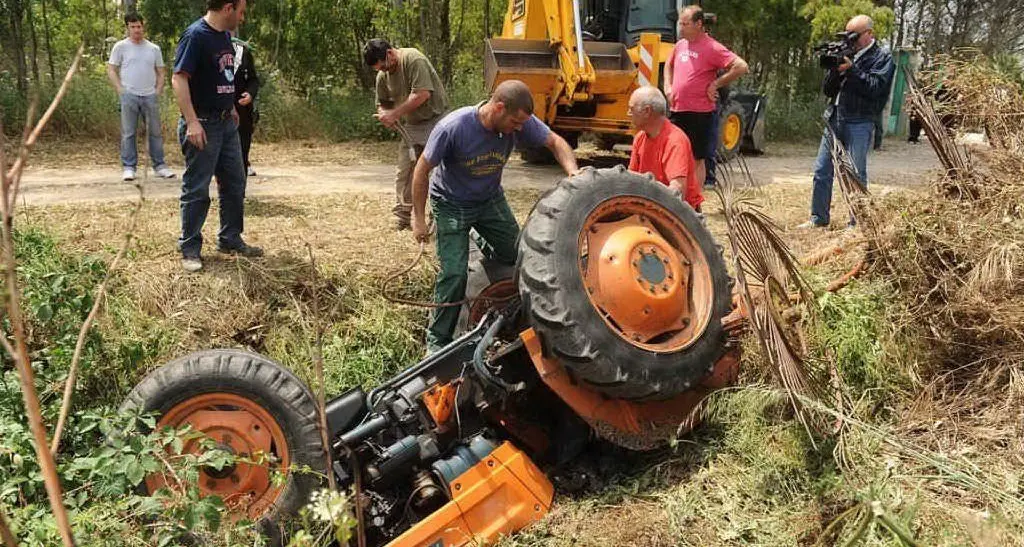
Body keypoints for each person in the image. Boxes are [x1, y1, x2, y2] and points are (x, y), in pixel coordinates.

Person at [411, 80, 578, 352]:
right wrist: (418, 218)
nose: (520, 129)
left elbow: (555, 141)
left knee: (520, 255)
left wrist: (572, 173)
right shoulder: (453, 127)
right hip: (450, 204)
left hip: (489, 200)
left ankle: (480, 235)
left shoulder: (519, 120)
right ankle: (437, 342)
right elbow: (421, 170)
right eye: (515, 122)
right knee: (454, 275)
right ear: (499, 108)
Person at [172, 0, 262, 273]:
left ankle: (230, 238)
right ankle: (190, 247)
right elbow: (179, 79)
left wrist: (231, 106)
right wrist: (192, 122)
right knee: (197, 189)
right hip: (202, 123)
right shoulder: (195, 36)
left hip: (226, 123)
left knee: (236, 181)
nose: (242, 17)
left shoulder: (225, 37)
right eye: (241, 11)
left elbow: (224, 76)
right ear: (228, 8)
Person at [798, 14, 895, 229]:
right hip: (835, 117)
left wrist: (852, 70)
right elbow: (828, 90)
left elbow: (875, 88)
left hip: (860, 121)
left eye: (855, 36)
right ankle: (818, 218)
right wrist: (836, 70)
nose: (850, 41)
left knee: (855, 174)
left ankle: (857, 223)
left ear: (870, 34)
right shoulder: (844, 53)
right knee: (822, 170)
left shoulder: (882, 58)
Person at [364, 39, 449, 231]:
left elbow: (422, 94)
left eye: (384, 66)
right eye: (379, 69)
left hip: (436, 121)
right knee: (405, 170)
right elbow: (382, 101)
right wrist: (386, 115)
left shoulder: (413, 59)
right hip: (412, 124)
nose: (383, 71)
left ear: (390, 53)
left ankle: (438, 217)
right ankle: (404, 215)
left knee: (438, 171)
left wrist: (395, 113)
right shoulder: (383, 75)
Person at [664, 5, 748, 188]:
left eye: (685, 24)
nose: (681, 27)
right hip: (677, 110)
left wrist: (716, 84)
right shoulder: (680, 45)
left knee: (697, 158)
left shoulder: (712, 47)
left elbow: (741, 66)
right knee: (675, 155)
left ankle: (695, 201)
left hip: (700, 113)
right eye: (680, 23)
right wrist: (668, 87)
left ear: (699, 24)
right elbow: (668, 66)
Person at [107, 13, 175, 182]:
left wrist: (158, 90)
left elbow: (161, 72)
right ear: (127, 28)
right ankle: (129, 167)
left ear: (143, 27)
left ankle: (160, 166)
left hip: (149, 95)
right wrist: (120, 89)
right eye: (133, 27)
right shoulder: (120, 47)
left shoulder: (153, 49)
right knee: (129, 133)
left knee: (155, 133)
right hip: (129, 95)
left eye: (139, 26)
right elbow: (111, 69)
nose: (137, 30)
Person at [626, 86, 701, 210]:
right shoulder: (640, 138)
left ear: (647, 111)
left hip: (680, 213)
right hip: (653, 206)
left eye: (631, 109)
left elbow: (677, 191)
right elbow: (631, 178)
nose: (628, 113)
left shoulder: (675, 141)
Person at [231, 29, 259, 177]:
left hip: (242, 105)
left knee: (243, 139)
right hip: (220, 106)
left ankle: (244, 164)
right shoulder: (211, 49)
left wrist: (250, 93)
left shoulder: (244, 52)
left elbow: (254, 79)